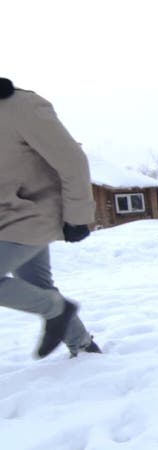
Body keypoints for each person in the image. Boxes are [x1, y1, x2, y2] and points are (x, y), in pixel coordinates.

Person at [0, 78, 102, 359]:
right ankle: (83, 347)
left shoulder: (20, 106)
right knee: (37, 284)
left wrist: (78, 215)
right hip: (7, 219)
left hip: (33, 213)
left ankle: (56, 309)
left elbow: (71, 159)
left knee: (47, 298)